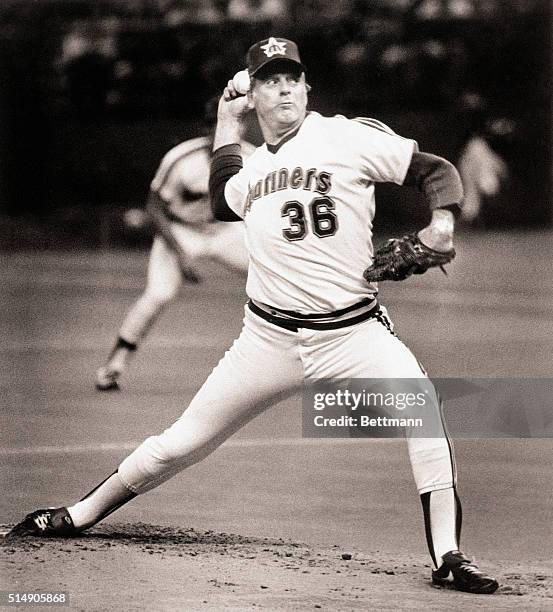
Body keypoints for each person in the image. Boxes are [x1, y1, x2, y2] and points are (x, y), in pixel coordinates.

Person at [9, 37, 498, 595]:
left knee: (425, 414)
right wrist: (224, 116)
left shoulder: (344, 135)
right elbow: (221, 201)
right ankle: (79, 514)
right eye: (269, 79)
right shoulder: (253, 168)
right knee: (181, 444)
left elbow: (436, 171)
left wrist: (442, 226)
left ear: (307, 86)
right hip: (266, 341)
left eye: (293, 77)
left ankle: (448, 557)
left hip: (354, 333)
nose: (284, 87)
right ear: (253, 95)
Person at [95, 97, 255, 390]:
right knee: (158, 295)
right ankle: (113, 366)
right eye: (220, 125)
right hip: (181, 232)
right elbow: (155, 208)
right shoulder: (181, 158)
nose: (228, 131)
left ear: (243, 126)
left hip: (227, 231)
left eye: (236, 124)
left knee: (278, 277)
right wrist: (181, 255)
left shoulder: (254, 158)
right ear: (208, 127)